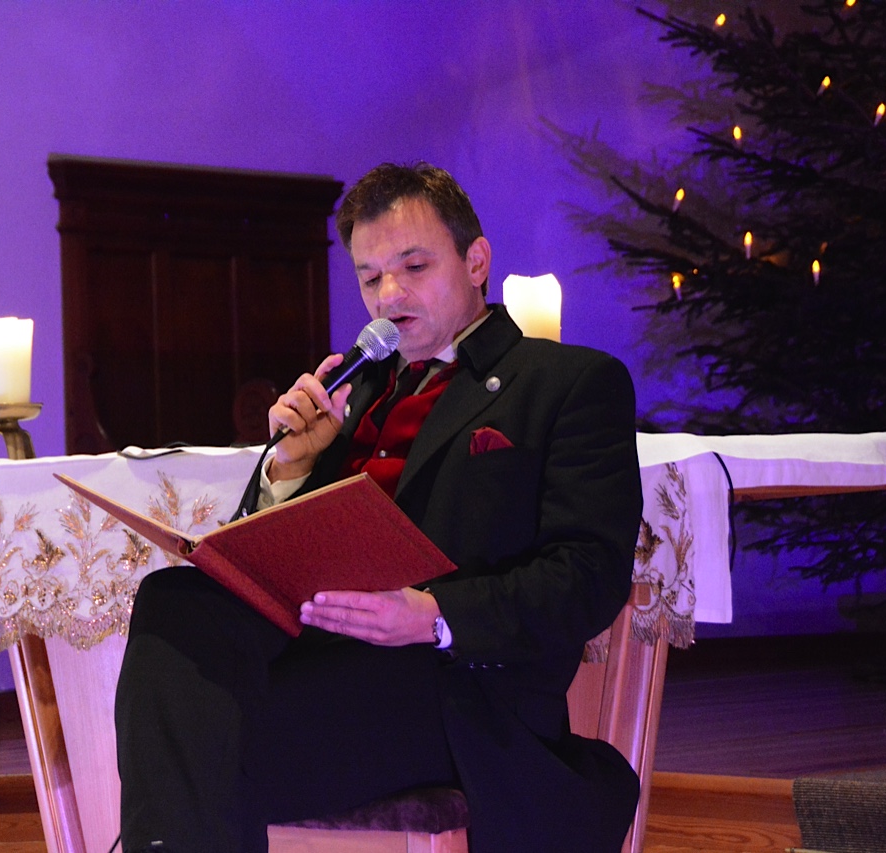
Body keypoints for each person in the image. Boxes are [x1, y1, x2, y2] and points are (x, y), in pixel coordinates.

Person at [114, 162, 643, 852]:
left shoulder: (565, 383)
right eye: (370, 278)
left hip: (449, 692)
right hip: (316, 667)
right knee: (174, 603)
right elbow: (260, 565)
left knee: (190, 745)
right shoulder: (351, 391)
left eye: (414, 266)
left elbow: (588, 576)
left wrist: (434, 616)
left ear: (476, 261)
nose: (389, 295)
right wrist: (290, 468)